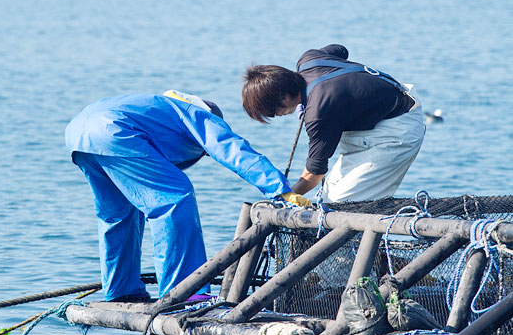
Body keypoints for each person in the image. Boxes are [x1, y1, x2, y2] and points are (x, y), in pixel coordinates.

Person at [65, 90, 311, 302]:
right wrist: (280, 189)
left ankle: (120, 290)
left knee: (118, 214)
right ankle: (184, 291)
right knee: (175, 199)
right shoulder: (198, 114)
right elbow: (232, 148)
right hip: (114, 131)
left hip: (79, 134)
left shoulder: (160, 108)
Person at [242, 44, 425, 203]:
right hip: (393, 101)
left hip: (398, 128)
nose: (277, 115)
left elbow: (315, 173)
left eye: (272, 112)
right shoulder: (308, 60)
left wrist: (286, 197)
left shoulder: (318, 112)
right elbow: (340, 50)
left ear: (284, 96)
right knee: (327, 196)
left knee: (343, 204)